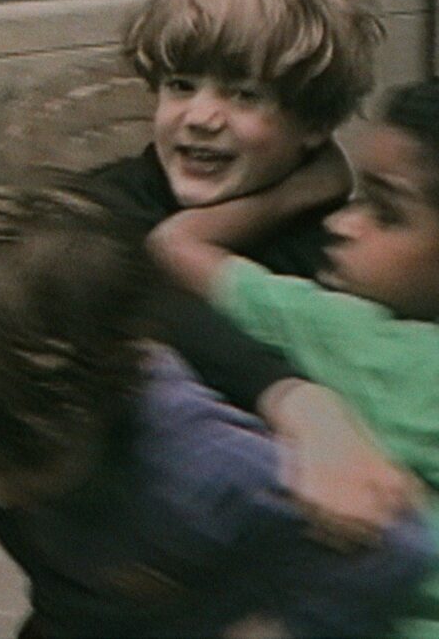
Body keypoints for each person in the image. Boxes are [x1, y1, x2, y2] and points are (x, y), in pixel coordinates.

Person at [0, 0, 411, 533]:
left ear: (315, 125)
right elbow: (141, 296)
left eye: (244, 95)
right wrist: (291, 396)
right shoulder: (98, 208)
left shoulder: (333, 249)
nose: (201, 117)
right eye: (181, 85)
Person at [0, 184, 432, 638]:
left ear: (103, 397)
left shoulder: (205, 466)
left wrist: (280, 629)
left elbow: (399, 549)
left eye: (22, 464)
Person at [147, 78, 439, 637]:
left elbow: (175, 247)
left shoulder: (362, 342)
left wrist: (316, 183)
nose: (340, 223)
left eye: (385, 211)